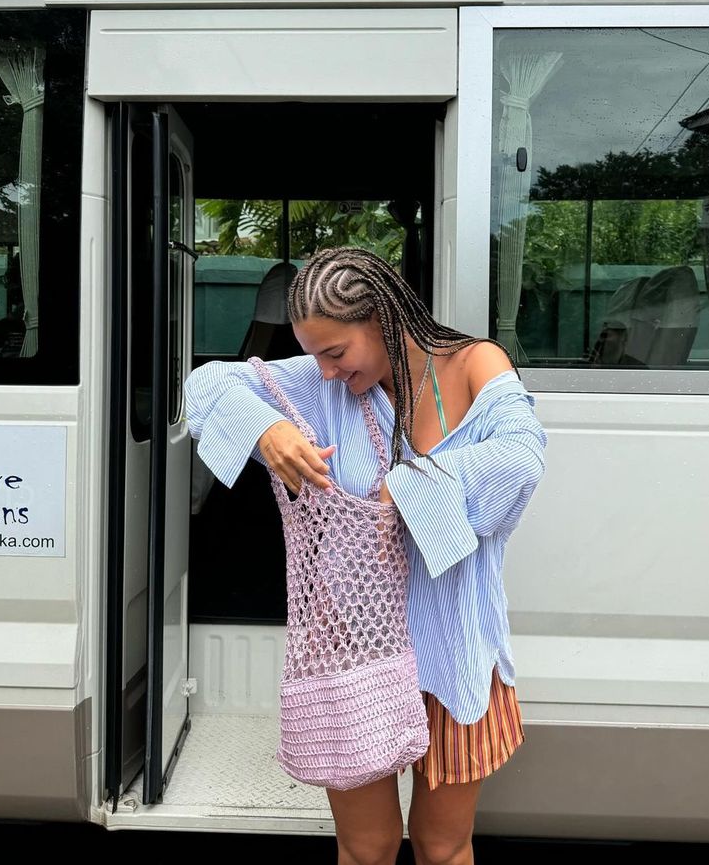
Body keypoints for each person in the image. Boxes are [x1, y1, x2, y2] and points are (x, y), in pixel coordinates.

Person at [184, 246, 547, 865]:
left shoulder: (471, 364)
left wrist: (408, 490)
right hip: (355, 656)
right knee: (367, 846)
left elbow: (522, 457)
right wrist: (266, 429)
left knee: (442, 846)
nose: (324, 371)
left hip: (454, 651)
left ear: (382, 318)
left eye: (334, 352)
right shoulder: (323, 389)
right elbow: (207, 385)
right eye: (313, 354)